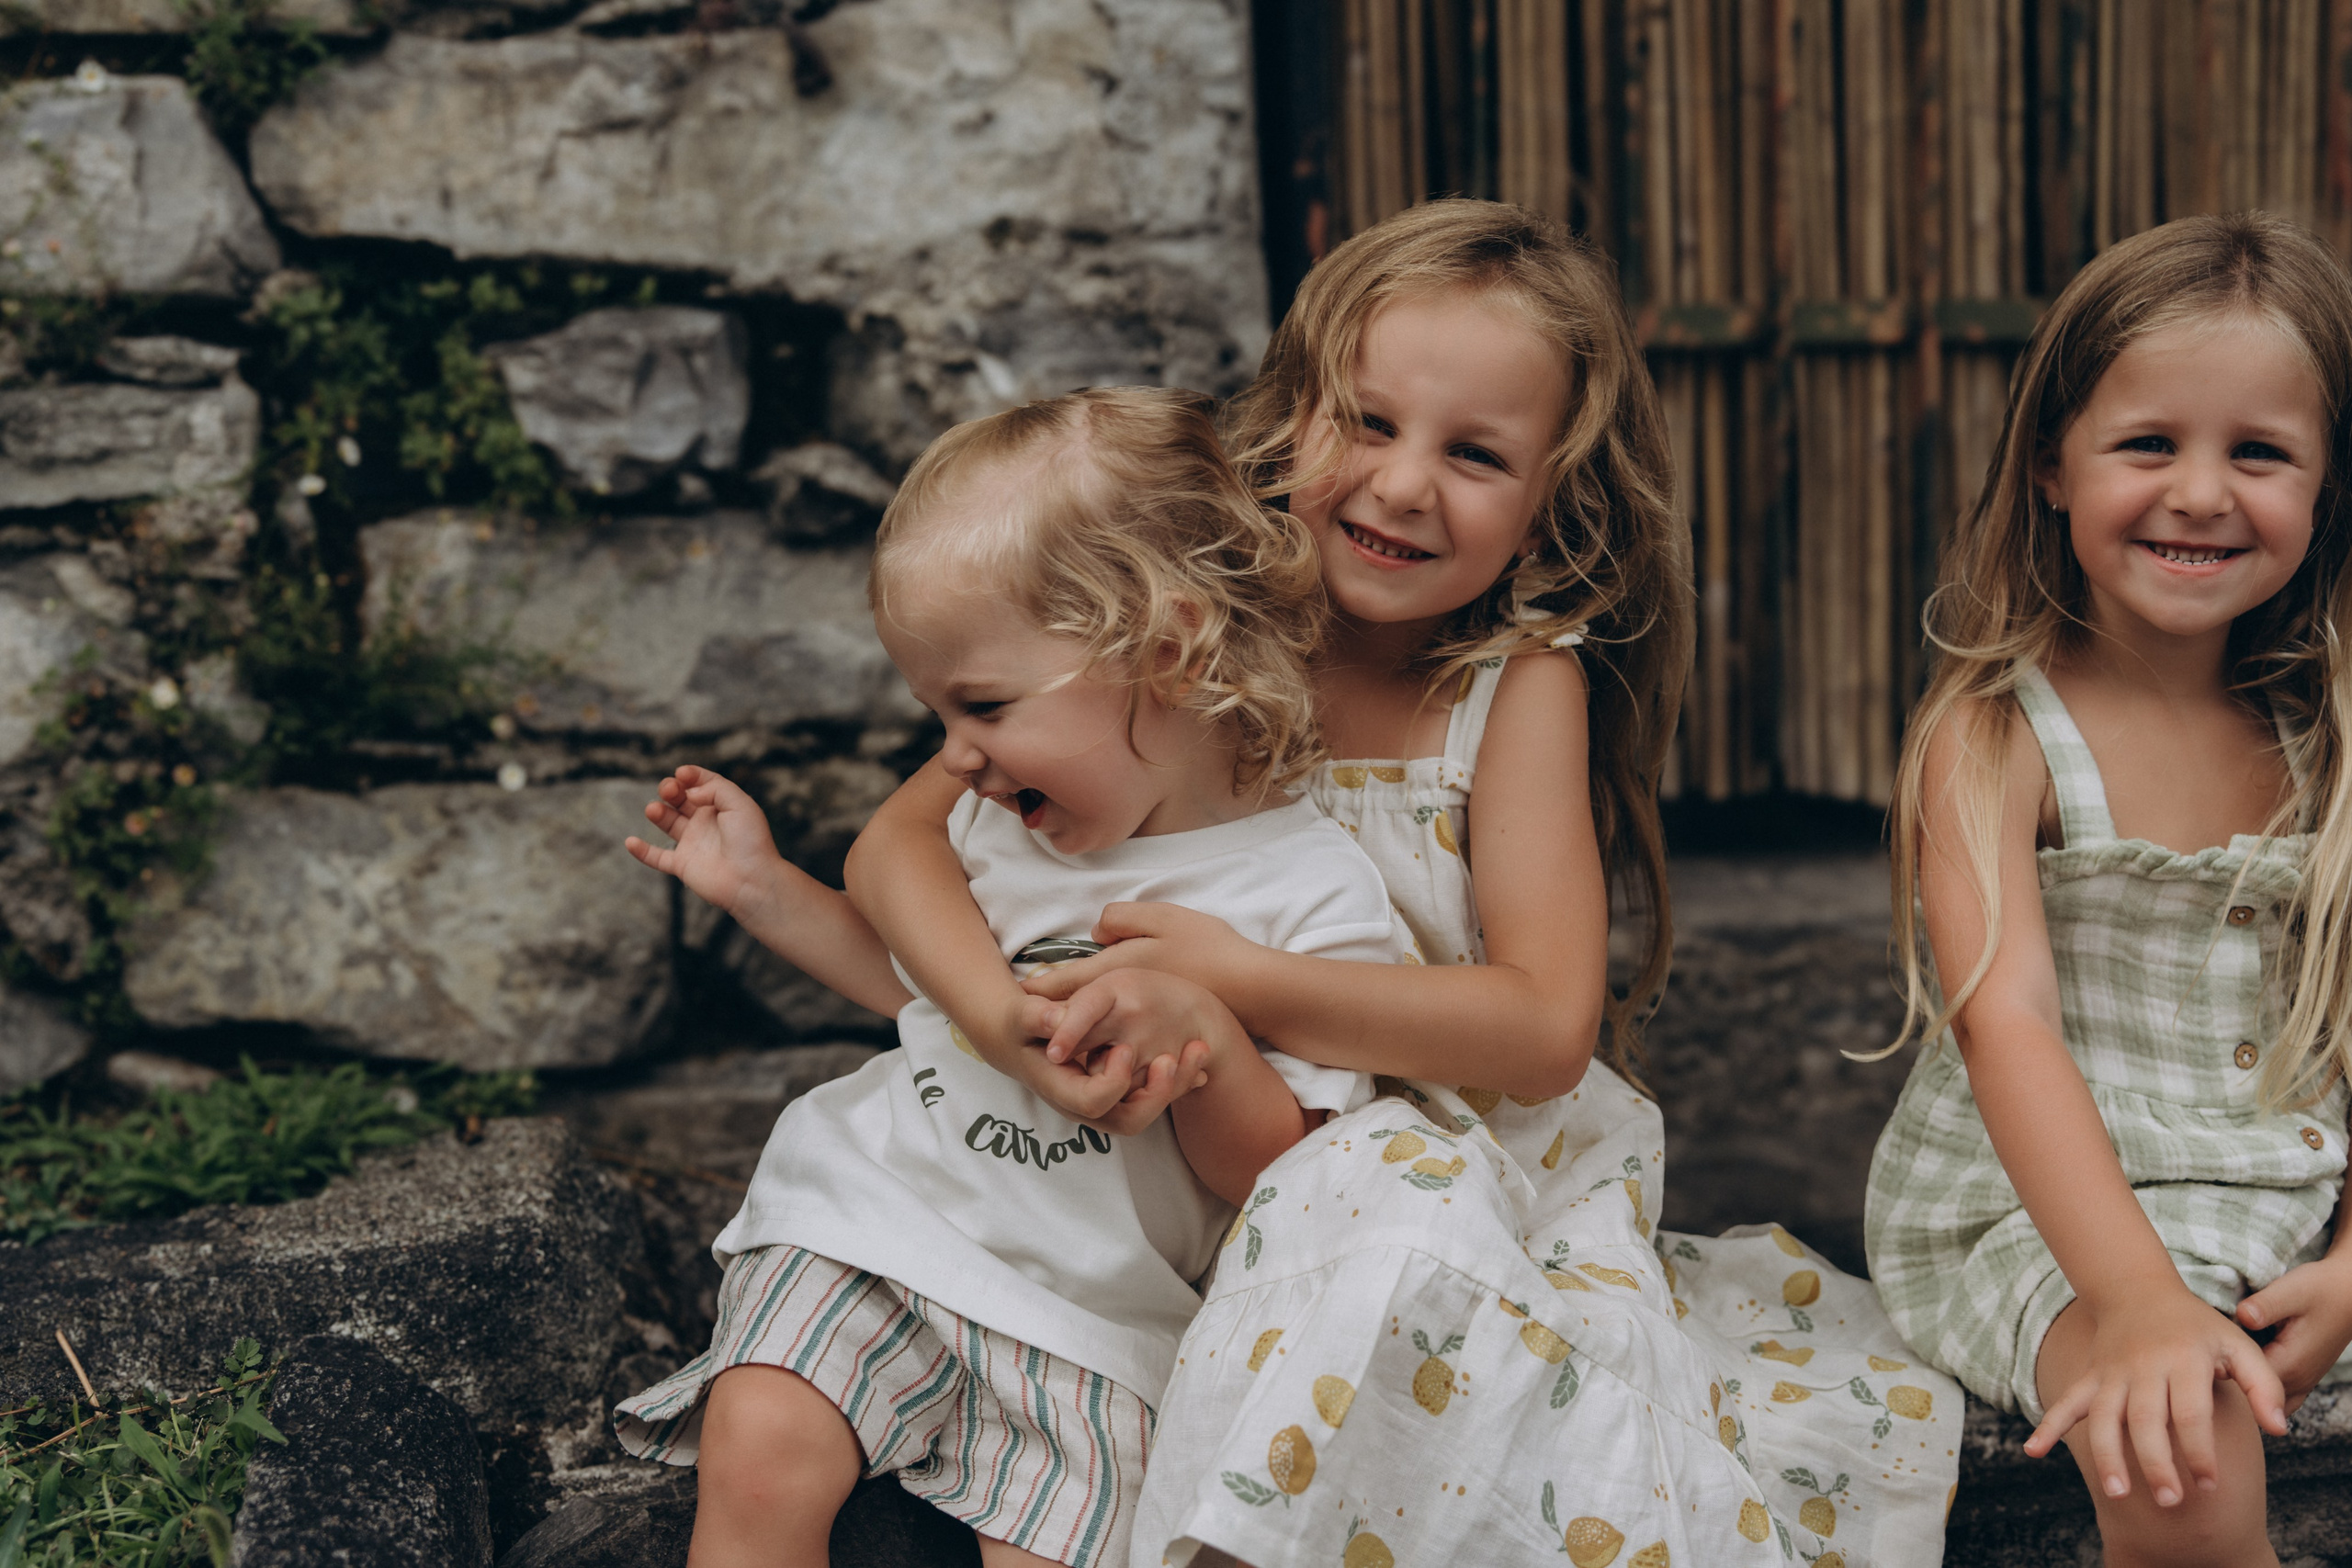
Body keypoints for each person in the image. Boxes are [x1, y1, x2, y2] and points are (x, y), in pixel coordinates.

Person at [854, 200, 1959, 1567]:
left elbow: (1546, 1030)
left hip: (1438, 1150)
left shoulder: (1513, 689)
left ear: (1558, 494)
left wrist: (1232, 978)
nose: (1403, 485)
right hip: (1165, 1150)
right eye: (1367, 423)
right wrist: (1006, 1012)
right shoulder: (1183, 626)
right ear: (1291, 411)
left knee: (1383, 1207)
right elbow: (908, 835)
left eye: (1477, 453)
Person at [612, 387, 1417, 1568]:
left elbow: (1281, 1176)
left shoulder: (1309, 897)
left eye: (982, 705)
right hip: (884, 1222)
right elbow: (916, 995)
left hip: (1098, 1318)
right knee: (761, 1449)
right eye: (937, 710)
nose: (954, 755)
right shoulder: (1004, 830)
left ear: (1167, 647)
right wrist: (767, 891)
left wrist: (1205, 1045)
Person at [1865, 210, 2352, 1567]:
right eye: (2150, 443)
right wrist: (2134, 1293)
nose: (2201, 493)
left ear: (2326, 491)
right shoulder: (1995, 733)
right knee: (2179, 1426)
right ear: (2051, 467)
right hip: (2046, 1207)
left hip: (2287, 1190)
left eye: (2258, 452)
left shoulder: (2334, 740)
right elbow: (2004, 1019)